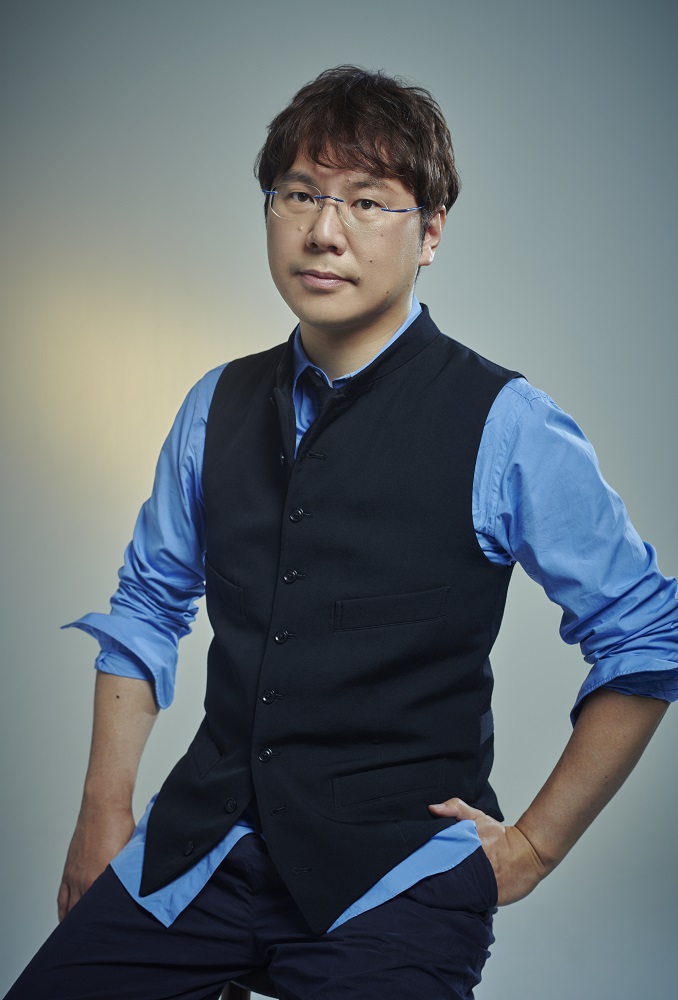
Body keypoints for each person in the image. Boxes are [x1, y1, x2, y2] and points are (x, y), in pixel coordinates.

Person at [5, 65, 677, 1000]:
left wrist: (534, 846)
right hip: (202, 849)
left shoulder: (508, 423)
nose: (325, 231)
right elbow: (148, 606)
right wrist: (102, 813)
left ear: (430, 232)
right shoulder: (215, 404)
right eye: (299, 195)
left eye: (367, 201)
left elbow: (645, 634)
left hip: (395, 874)